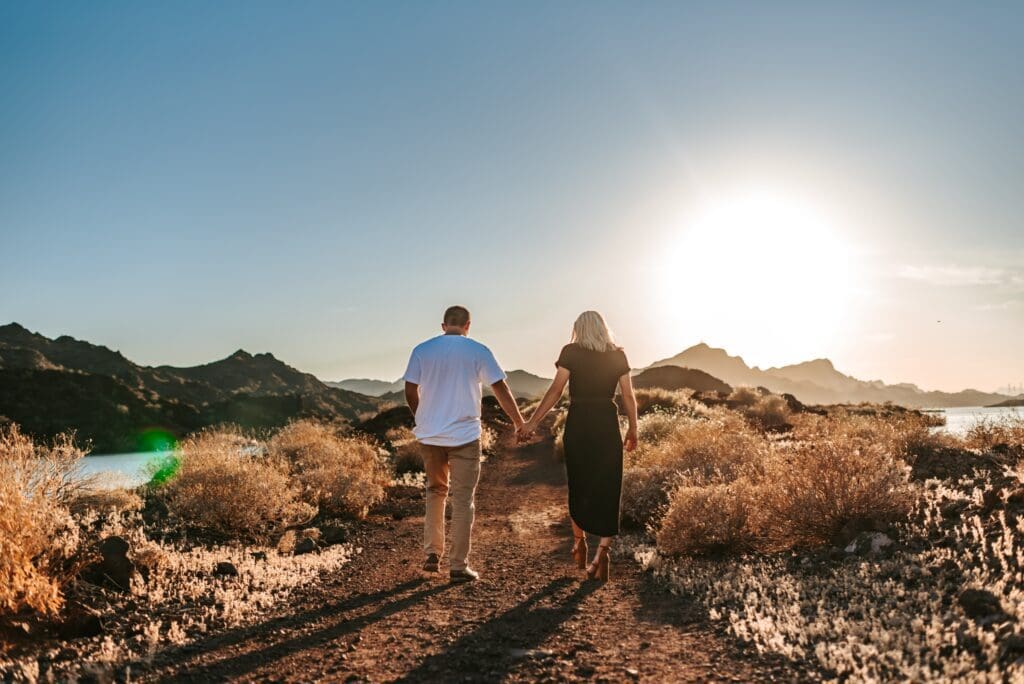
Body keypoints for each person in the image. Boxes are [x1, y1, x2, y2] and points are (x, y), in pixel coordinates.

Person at [403, 305, 525, 582]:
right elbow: (500, 388)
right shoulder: (478, 351)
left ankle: (432, 553)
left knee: (435, 491)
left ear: (443, 325)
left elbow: (410, 389)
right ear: (468, 325)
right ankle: (458, 566)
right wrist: (518, 423)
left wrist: (422, 417)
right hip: (465, 436)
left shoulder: (422, 350)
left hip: (430, 436)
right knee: (462, 500)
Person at [519, 311, 638, 581]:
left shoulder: (571, 352)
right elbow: (628, 396)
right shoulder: (617, 355)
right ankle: (603, 554)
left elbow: (556, 390)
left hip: (579, 422)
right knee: (610, 485)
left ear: (578, 329)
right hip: (607, 423)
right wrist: (633, 428)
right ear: (603, 329)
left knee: (579, 482)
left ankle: (579, 542)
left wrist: (532, 422)